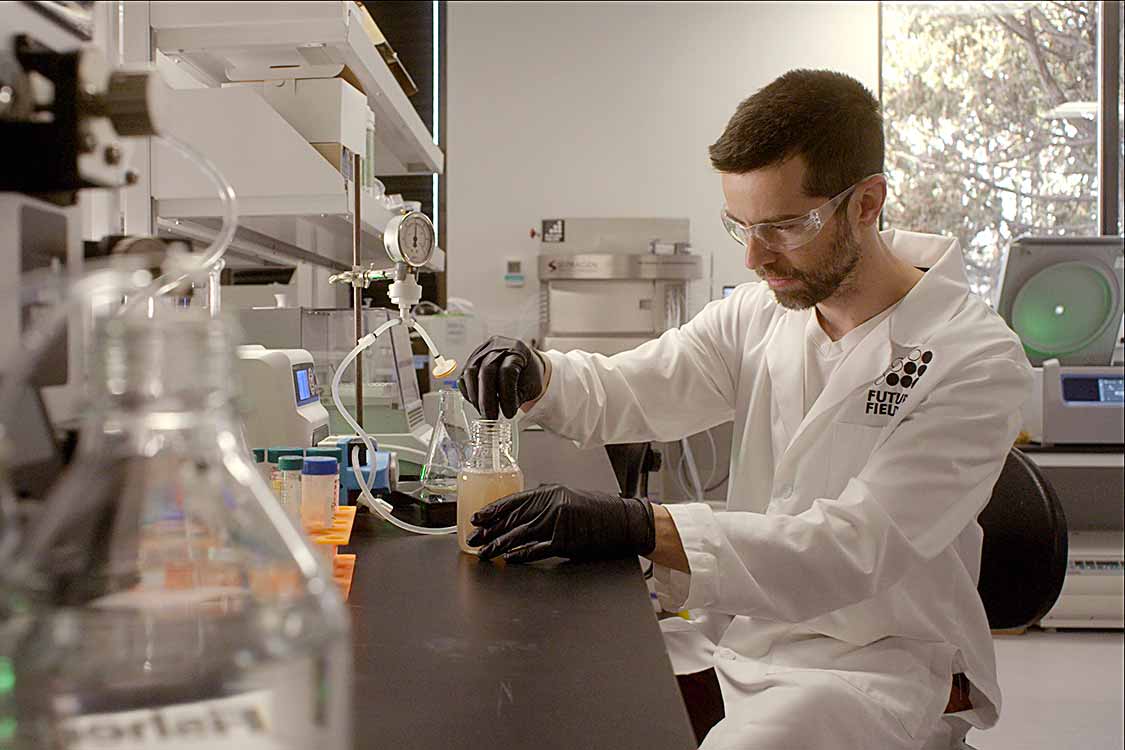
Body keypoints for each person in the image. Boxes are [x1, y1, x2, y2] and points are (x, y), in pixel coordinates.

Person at [458, 69, 1032, 750]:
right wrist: (540, 377)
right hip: (747, 631)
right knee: (564, 692)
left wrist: (642, 524)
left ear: (866, 204)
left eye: (785, 226)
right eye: (742, 226)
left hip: (876, 658)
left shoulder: (972, 357)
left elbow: (853, 547)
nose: (756, 256)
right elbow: (638, 387)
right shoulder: (760, 314)